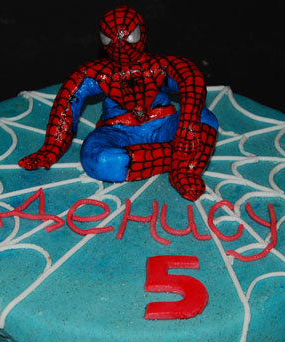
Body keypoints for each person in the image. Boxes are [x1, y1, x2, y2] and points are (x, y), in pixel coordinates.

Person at [19, 5, 218, 201]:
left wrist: (188, 124)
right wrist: (51, 149)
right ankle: (181, 160)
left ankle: (185, 171)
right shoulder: (95, 73)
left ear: (141, 32)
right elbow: (66, 105)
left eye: (129, 36)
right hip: (116, 132)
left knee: (205, 118)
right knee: (99, 159)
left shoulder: (159, 66)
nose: (121, 45)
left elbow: (191, 79)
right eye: (110, 39)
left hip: (164, 124)